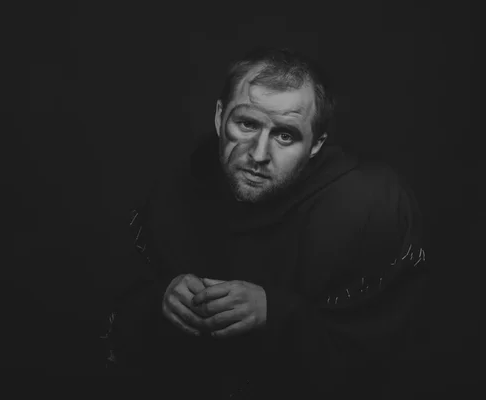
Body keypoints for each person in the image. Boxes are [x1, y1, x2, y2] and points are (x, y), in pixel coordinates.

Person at [104, 47, 429, 399]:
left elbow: (385, 355)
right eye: (246, 124)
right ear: (218, 118)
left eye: (285, 135)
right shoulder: (175, 191)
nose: (258, 155)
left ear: (316, 145)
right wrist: (163, 301)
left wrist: (275, 314)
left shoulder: (372, 206)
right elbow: (119, 317)